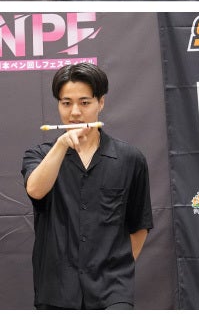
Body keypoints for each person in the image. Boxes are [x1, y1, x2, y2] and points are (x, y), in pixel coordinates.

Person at [21, 63, 152, 309]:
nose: (75, 112)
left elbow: (139, 225)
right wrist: (61, 145)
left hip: (112, 291)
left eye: (84, 103)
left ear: (100, 103)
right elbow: (36, 190)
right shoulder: (39, 155)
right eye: (66, 103)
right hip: (56, 290)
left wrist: (118, 270)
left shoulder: (129, 159)